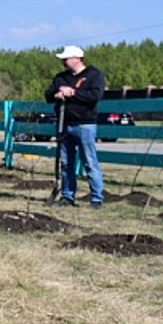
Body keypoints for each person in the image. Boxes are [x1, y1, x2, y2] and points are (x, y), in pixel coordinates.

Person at [46, 45, 106, 208]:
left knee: (90, 162)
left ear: (77, 58)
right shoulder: (61, 78)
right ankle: (67, 196)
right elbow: (48, 95)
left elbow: (95, 95)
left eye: (66, 59)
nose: (64, 62)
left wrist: (73, 93)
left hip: (85, 124)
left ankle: (96, 198)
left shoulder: (94, 75)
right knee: (66, 163)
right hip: (64, 124)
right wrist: (57, 93)